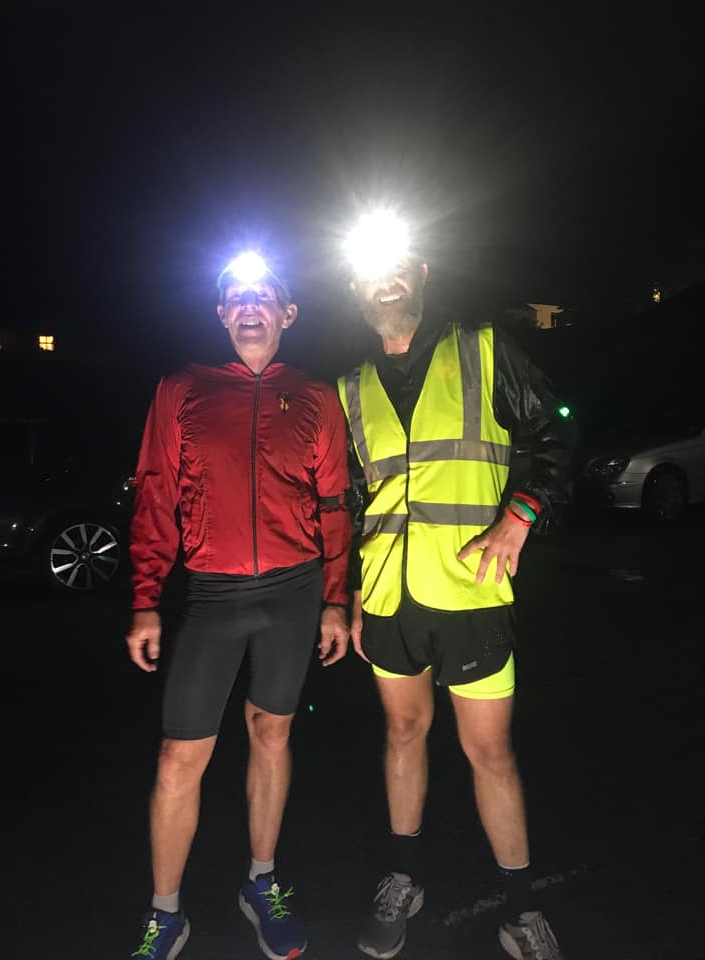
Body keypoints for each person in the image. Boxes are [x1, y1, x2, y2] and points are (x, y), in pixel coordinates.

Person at [337, 212, 576, 960]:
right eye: (373, 269)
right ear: (355, 286)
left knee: (490, 754)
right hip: (387, 601)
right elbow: (351, 501)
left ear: (422, 274)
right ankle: (403, 879)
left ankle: (519, 908)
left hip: (472, 595)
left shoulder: (483, 349)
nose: (388, 279)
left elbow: (556, 436)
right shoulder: (350, 388)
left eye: (401, 264)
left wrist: (520, 518)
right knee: (403, 731)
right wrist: (347, 595)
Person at [125, 251, 351, 960]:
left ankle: (262, 882)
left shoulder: (316, 395)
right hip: (212, 593)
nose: (249, 306)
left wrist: (337, 599)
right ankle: (165, 914)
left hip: (294, 591)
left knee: (273, 736)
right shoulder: (182, 388)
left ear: (287, 313)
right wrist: (145, 599)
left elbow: (336, 502)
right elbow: (156, 493)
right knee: (177, 758)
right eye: (235, 297)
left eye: (265, 296)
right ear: (222, 315)